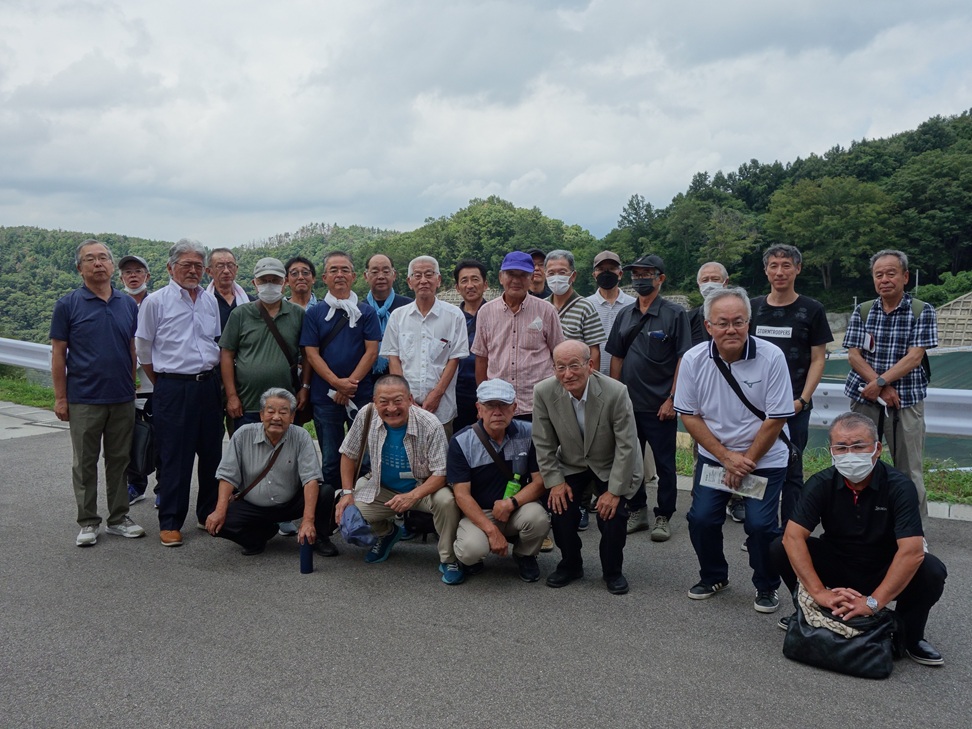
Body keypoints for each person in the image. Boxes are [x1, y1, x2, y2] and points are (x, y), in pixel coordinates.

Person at [770, 411, 947, 666]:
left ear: (877, 449)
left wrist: (873, 603)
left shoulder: (899, 486)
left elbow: (911, 551)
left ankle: (910, 635)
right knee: (780, 547)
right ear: (831, 451)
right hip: (839, 564)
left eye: (858, 446)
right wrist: (819, 592)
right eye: (841, 447)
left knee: (930, 569)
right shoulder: (820, 483)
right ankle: (812, 611)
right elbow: (793, 537)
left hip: (883, 568)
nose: (850, 454)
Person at [674, 287, 793, 613]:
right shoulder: (693, 360)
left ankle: (766, 585)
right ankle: (714, 576)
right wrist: (726, 458)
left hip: (764, 458)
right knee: (701, 518)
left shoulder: (771, 357)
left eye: (738, 322)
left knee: (761, 525)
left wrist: (745, 461)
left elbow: (776, 418)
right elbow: (689, 415)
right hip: (717, 457)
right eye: (722, 323)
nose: (731, 329)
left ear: (748, 323)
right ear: (708, 326)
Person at [51, 240, 146, 546]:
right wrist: (61, 398)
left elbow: (131, 348)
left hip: (121, 397)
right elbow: (58, 354)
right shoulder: (67, 305)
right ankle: (88, 521)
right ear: (80, 268)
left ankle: (118, 518)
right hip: (84, 397)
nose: (98, 263)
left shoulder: (126, 304)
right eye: (90, 259)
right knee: (85, 462)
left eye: (103, 258)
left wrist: (131, 384)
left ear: (111, 265)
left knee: (119, 460)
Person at [533, 341, 642, 594]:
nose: (567, 374)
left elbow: (626, 446)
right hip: (572, 462)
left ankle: (612, 571)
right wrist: (555, 483)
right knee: (560, 509)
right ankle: (571, 564)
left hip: (611, 462)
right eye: (560, 367)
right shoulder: (544, 392)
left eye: (574, 366)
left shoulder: (616, 392)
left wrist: (613, 492)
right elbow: (543, 443)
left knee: (613, 514)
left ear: (590, 365)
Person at [135, 239, 223, 547]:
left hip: (209, 385)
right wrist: (164, 383)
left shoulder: (209, 300)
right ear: (171, 267)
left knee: (212, 453)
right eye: (186, 265)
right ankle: (171, 521)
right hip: (173, 386)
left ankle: (208, 513)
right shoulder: (156, 302)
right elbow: (143, 350)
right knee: (175, 456)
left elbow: (213, 341)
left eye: (198, 265)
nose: (193, 271)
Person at [335, 375, 463, 584]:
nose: (391, 408)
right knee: (351, 512)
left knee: (446, 501)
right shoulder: (366, 414)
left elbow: (441, 473)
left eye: (398, 401)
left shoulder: (430, 424)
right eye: (384, 402)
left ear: (410, 399)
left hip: (423, 488)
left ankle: (449, 558)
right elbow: (348, 453)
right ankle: (387, 533)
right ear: (375, 402)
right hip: (382, 487)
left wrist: (412, 496)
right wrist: (347, 493)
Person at [844, 249, 937, 519]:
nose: (884, 279)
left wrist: (882, 381)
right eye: (878, 274)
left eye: (891, 273)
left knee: (908, 470)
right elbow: (853, 355)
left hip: (905, 401)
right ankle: (857, 523)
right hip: (865, 398)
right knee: (858, 464)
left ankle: (913, 530)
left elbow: (914, 356)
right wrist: (880, 386)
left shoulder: (921, 311)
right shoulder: (863, 311)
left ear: (905, 277)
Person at [605, 254, 691, 542]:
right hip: (628, 404)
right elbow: (617, 356)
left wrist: (672, 399)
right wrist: (615, 395)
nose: (640, 279)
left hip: (660, 406)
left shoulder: (674, 314)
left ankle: (664, 515)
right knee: (630, 461)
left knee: (665, 464)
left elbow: (683, 359)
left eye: (646, 274)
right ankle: (637, 510)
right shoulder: (625, 314)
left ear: (660, 278)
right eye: (636, 274)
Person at [750, 244, 833, 525]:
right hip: (755, 405)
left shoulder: (812, 309)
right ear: (766, 270)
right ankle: (761, 531)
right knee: (756, 465)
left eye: (786, 265)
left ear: (798, 269)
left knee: (792, 469)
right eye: (773, 266)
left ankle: (790, 532)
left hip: (795, 404)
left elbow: (818, 359)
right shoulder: (753, 308)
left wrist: (803, 400)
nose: (779, 272)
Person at [300, 251, 381, 527]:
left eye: (345, 270)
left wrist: (349, 386)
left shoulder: (366, 312)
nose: (339, 275)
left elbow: (372, 352)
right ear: (324, 277)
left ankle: (365, 517)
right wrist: (336, 383)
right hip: (325, 397)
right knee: (330, 460)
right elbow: (311, 353)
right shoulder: (315, 313)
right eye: (333, 270)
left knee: (366, 459)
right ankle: (329, 520)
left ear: (354, 276)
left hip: (361, 395)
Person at [206, 389, 333, 558]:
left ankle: (319, 538)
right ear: (261, 415)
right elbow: (228, 476)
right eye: (271, 411)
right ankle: (257, 538)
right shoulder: (243, 435)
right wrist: (220, 510)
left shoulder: (301, 436)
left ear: (292, 417)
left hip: (290, 503)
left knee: (325, 492)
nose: (276, 417)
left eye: (283, 412)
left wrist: (308, 520)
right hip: (254, 507)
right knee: (216, 520)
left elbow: (310, 479)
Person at [449, 379, 548, 583]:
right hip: (479, 511)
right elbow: (461, 495)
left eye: (503, 405)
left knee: (538, 517)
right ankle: (476, 552)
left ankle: (525, 555)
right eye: (490, 405)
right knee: (470, 551)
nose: (497, 412)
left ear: (514, 407)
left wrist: (511, 503)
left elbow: (539, 482)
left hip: (516, 507)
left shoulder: (529, 433)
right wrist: (491, 530)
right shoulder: (461, 441)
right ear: (479, 409)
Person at [381, 256, 468, 436]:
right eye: (417, 275)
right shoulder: (397, 316)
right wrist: (406, 397)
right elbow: (393, 359)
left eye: (429, 274)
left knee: (441, 452)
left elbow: (454, 359)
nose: (423, 280)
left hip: (441, 408)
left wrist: (437, 394)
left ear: (438, 279)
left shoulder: (454, 315)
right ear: (409, 282)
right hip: (404, 407)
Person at [471, 251, 564, 419]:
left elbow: (559, 355)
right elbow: (481, 359)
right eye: (511, 274)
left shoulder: (547, 310)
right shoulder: (486, 312)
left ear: (531, 278)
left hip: (539, 403)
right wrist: (483, 398)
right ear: (501, 277)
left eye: (523, 275)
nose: (516, 280)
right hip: (499, 404)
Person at [220, 257, 307, 430]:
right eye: (263, 280)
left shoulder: (297, 314)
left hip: (285, 406)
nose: (269, 285)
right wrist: (231, 396)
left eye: (275, 280)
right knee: (247, 447)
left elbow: (308, 355)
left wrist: (305, 387)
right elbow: (226, 355)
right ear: (255, 283)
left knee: (286, 447)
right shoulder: (240, 314)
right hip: (247, 404)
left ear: (285, 283)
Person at [119, 254, 156, 505]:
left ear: (147, 276)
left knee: (162, 436)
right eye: (128, 272)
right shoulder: (116, 304)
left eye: (138, 271)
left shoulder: (157, 303)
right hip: (125, 386)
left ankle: (163, 488)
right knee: (130, 439)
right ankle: (136, 485)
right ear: (121, 277)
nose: (133, 276)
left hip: (154, 382)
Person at [544, 249, 606, 372]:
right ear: (545, 275)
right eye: (551, 273)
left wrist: (589, 377)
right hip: (547, 376)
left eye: (562, 272)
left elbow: (594, 351)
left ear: (573, 276)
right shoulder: (542, 306)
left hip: (575, 375)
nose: (556, 277)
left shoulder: (585, 307)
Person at [585, 250, 635, 377]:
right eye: (601, 269)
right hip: (593, 376)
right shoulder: (585, 305)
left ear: (620, 274)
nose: (606, 273)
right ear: (594, 275)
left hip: (627, 377)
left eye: (612, 269)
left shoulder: (633, 305)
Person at [452, 259, 488, 431]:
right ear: (457, 287)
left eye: (475, 279)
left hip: (488, 389)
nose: (470, 285)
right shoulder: (451, 317)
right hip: (456, 392)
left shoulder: (496, 314)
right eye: (464, 280)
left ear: (485, 284)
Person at [364, 253, 413, 377]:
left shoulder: (409, 307)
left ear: (394, 275)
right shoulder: (358, 310)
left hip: (403, 377)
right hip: (366, 379)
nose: (381, 276)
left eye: (386, 271)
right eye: (375, 272)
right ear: (366, 276)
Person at [206, 248, 251, 331]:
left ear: (236, 269)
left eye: (230, 266)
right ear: (209, 271)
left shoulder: (250, 302)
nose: (226, 271)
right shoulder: (203, 302)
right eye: (220, 266)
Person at [688, 262, 729, 347]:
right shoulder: (689, 319)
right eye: (705, 280)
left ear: (725, 282)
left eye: (715, 279)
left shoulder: (739, 314)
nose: (710, 284)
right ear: (699, 284)